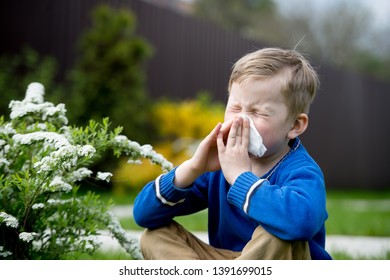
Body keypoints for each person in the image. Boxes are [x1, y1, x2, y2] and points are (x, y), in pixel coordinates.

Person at [133, 47, 332, 260]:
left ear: (295, 124)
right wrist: (192, 168)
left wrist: (239, 178)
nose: (241, 121)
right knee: (154, 235)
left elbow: (300, 224)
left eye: (258, 112)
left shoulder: (301, 171)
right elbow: (144, 215)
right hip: (228, 261)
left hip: (280, 261)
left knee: (277, 233)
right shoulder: (219, 166)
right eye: (235, 108)